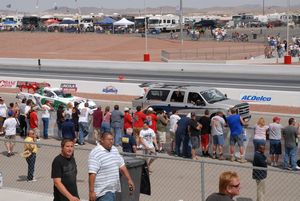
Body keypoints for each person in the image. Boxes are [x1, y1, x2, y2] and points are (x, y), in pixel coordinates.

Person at [88, 132, 135, 201]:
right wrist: (91, 192)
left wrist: (129, 179)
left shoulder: (114, 150)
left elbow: (122, 166)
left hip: (113, 189)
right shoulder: (95, 153)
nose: (111, 141)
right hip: (102, 192)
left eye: (112, 139)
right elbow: (92, 174)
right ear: (102, 140)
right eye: (109, 139)